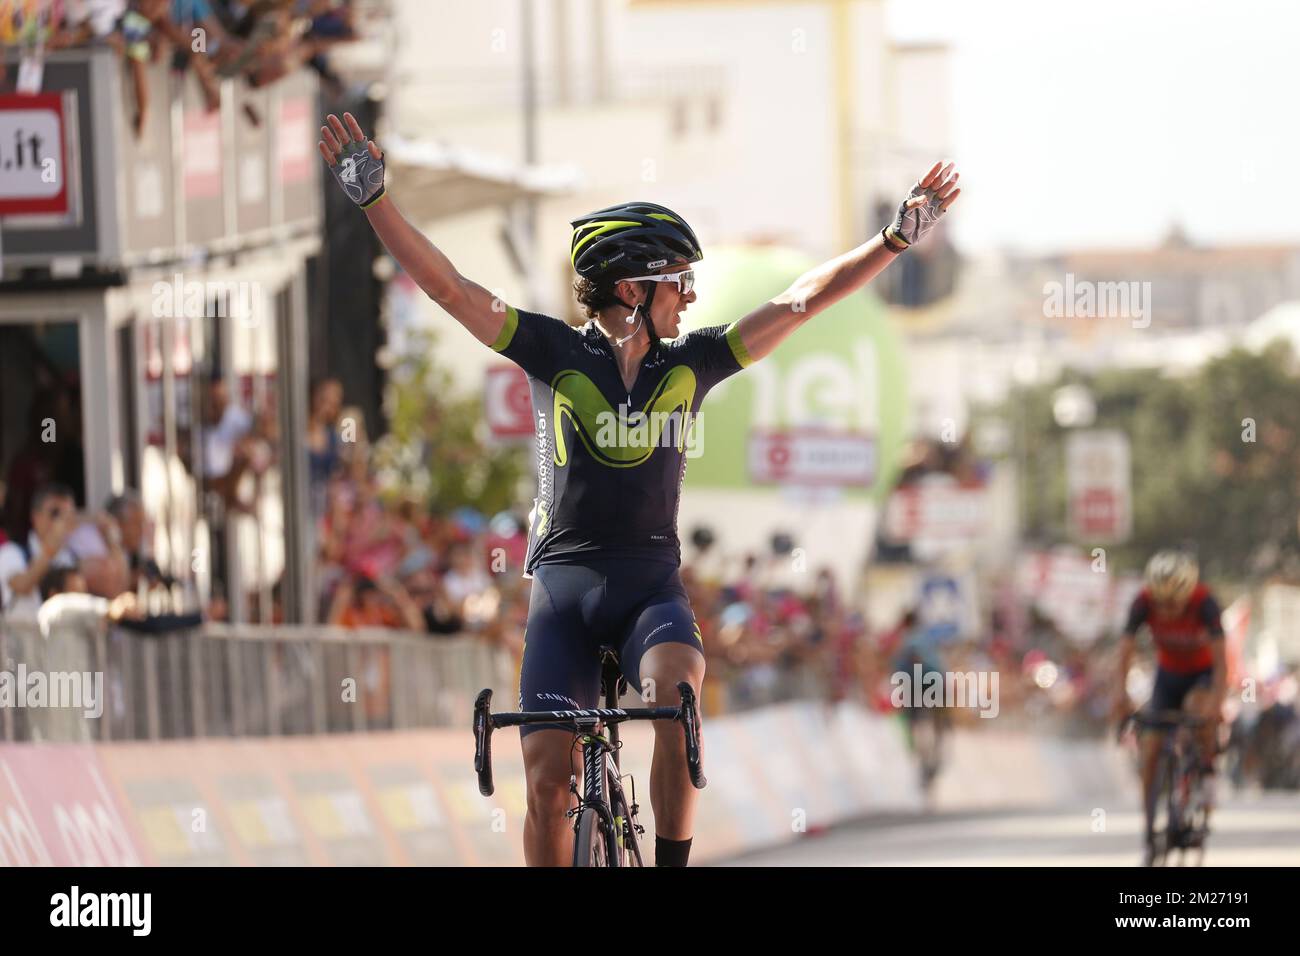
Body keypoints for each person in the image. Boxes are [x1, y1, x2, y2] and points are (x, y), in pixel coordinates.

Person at [318, 110, 960, 866]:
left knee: (677, 693)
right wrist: (374, 202)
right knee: (548, 784)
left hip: (650, 585)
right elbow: (451, 289)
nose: (689, 299)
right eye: (676, 284)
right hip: (563, 590)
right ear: (631, 289)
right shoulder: (552, 352)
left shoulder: (692, 361)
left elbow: (801, 301)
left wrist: (892, 240)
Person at [1113, 550, 1227, 865]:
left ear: (1188, 594)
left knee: (1197, 711)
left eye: (1174, 604)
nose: (1168, 611)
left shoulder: (1205, 602)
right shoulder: (1142, 602)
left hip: (1201, 674)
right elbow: (1124, 650)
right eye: (1162, 605)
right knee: (1150, 750)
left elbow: (1221, 661)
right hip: (1168, 675)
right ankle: (1150, 828)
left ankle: (1205, 775)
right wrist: (1120, 698)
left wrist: (1216, 705)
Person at [0, 483, 79, 621]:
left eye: (67, 515)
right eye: (55, 513)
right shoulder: (11, 552)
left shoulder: (71, 557)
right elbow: (23, 585)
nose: (61, 522)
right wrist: (49, 550)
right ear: (35, 516)